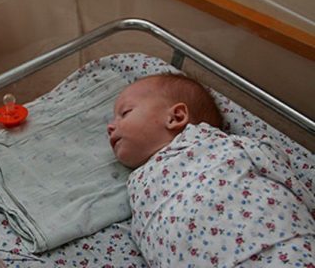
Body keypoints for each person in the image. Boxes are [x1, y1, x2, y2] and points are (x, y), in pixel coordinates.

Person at [107, 73, 314, 266]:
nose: (110, 127)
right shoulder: (136, 182)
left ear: (176, 117)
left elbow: (274, 166)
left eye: (125, 113)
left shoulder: (209, 143)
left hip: (273, 246)